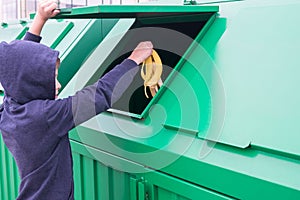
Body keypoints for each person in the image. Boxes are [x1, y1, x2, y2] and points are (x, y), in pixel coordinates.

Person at [0, 0, 153, 199]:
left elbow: (19, 64)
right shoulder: (46, 116)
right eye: (52, 77)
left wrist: (39, 20)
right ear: (30, 81)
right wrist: (134, 60)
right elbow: (100, 95)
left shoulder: (10, 107)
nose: (58, 85)